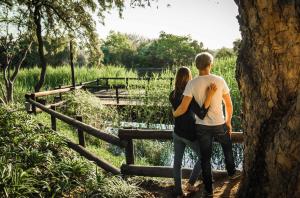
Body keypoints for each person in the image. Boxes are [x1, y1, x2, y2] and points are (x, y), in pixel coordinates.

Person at [173, 53, 240, 197]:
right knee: (227, 149)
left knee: (205, 158)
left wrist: (173, 114)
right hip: (219, 123)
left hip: (201, 126)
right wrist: (228, 121)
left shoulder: (191, 83)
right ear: (210, 64)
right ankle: (232, 173)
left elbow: (184, 107)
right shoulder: (219, 80)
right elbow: (228, 104)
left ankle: (208, 190)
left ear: (197, 66)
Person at [169, 66, 217, 198]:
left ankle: (178, 191)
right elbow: (201, 114)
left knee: (177, 162)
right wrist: (209, 95)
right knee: (204, 157)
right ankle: (190, 183)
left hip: (177, 133)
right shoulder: (189, 95)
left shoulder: (172, 94)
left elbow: (177, 113)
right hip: (189, 134)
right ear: (189, 78)